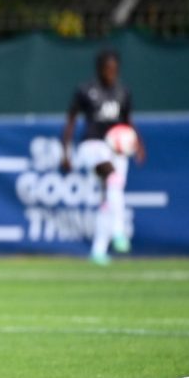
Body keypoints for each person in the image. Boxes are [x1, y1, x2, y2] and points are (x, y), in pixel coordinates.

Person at [61, 49, 146, 265]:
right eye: (107, 68)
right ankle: (119, 231)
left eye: (114, 69)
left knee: (110, 196)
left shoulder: (123, 92)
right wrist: (66, 152)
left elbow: (128, 121)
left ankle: (98, 250)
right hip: (93, 145)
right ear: (100, 68)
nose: (111, 72)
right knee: (111, 177)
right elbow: (70, 120)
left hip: (117, 148)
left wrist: (138, 144)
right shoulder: (86, 90)